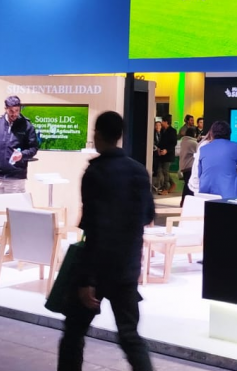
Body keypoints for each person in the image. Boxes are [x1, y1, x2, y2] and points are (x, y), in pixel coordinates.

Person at [58, 110, 154, 371]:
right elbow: (148, 215)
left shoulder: (95, 172)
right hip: (127, 267)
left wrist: (87, 279)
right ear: (119, 135)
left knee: (74, 333)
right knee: (130, 335)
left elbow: (94, 228)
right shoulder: (138, 171)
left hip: (98, 269)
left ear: (98, 134)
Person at [0, 95, 39, 194]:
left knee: (14, 204)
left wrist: (22, 155)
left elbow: (33, 148)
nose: (14, 114)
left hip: (16, 178)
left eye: (17, 110)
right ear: (5, 109)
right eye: (11, 111)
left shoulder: (27, 126)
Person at [196, 121, 237, 199]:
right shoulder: (234, 146)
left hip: (206, 191)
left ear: (212, 133)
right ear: (229, 132)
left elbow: (199, 173)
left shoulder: (203, 149)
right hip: (229, 192)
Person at [155, 114, 177, 194]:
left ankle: (165, 188)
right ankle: (172, 184)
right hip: (162, 154)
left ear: (166, 122)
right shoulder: (163, 131)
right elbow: (161, 142)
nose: (161, 123)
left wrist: (167, 150)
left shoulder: (172, 131)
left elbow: (173, 143)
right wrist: (158, 148)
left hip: (168, 154)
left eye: (162, 121)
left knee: (165, 171)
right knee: (162, 170)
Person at [177, 126, 199, 206]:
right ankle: (186, 202)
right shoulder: (193, 143)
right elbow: (199, 150)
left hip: (184, 166)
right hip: (190, 166)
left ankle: (183, 201)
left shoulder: (184, 141)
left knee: (187, 184)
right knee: (189, 186)